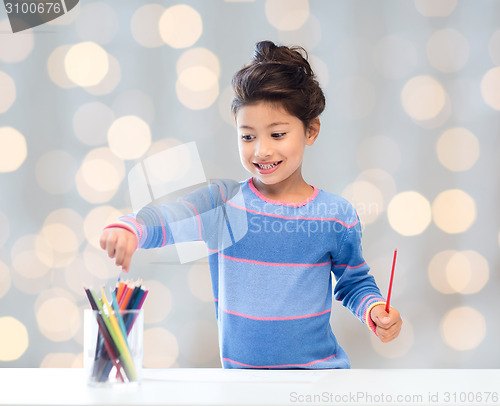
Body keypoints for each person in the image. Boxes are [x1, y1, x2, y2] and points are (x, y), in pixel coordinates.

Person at [100, 40, 402, 369]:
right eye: (247, 136)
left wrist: (374, 309)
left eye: (277, 135)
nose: (261, 151)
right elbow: (165, 219)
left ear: (311, 130)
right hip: (241, 385)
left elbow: (354, 282)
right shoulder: (222, 203)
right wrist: (130, 229)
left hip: (319, 377)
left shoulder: (337, 216)